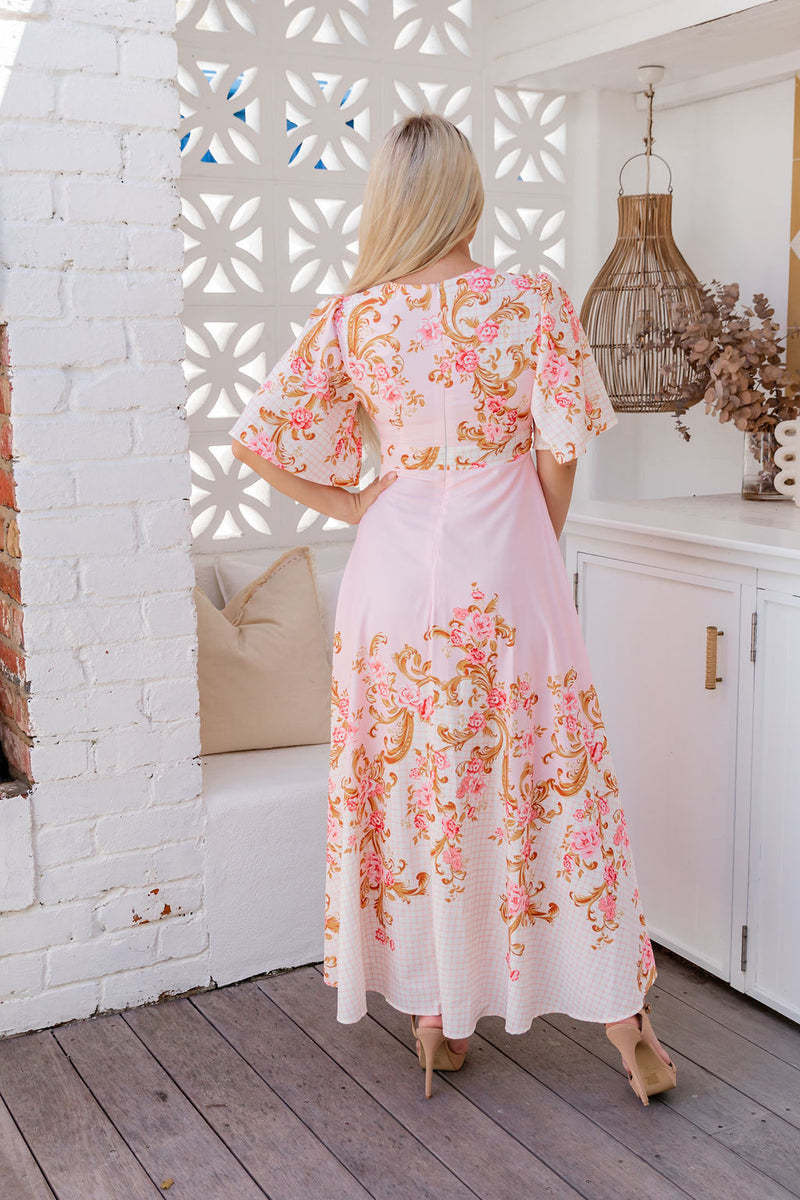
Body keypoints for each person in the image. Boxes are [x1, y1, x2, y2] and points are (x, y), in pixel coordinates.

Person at [229, 113, 678, 1104]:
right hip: (504, 564)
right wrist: (532, 544)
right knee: (547, 775)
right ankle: (624, 1021)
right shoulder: (530, 299)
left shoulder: (353, 317)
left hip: (389, 581)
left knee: (418, 780)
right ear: (468, 194)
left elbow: (256, 441)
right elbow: (561, 450)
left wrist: (356, 504)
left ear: (389, 202)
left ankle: (438, 1015)